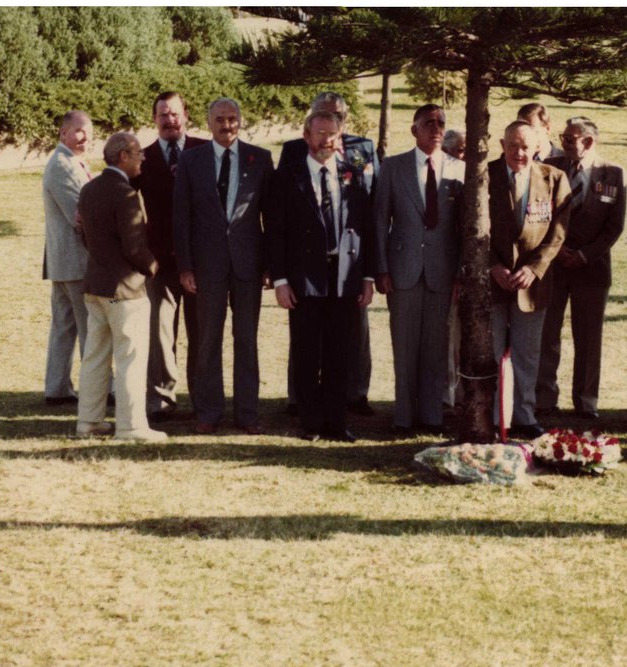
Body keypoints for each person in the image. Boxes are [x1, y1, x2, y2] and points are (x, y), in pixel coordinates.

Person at [267, 110, 375, 443]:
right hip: (303, 278)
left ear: (340, 138)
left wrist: (367, 277)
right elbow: (275, 232)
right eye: (320, 133)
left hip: (344, 276)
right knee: (306, 350)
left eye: (333, 134)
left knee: (339, 352)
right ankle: (311, 422)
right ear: (306, 135)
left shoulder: (353, 175)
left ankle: (336, 422)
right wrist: (281, 281)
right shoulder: (287, 176)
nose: (326, 140)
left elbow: (366, 228)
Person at [173, 97, 274, 435]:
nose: (227, 125)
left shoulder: (259, 158)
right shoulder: (191, 161)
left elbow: (271, 217)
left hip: (248, 265)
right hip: (206, 267)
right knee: (207, 340)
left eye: (232, 118)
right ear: (208, 121)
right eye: (220, 119)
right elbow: (181, 218)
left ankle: (247, 414)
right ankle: (209, 411)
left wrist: (270, 264)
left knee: (246, 339)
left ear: (240, 121)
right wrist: (185, 266)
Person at [374, 105, 464, 434]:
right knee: (405, 343)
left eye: (441, 123)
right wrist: (381, 269)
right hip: (402, 269)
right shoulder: (393, 167)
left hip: (443, 271)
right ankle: (403, 415)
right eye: (429, 124)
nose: (436, 129)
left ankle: (431, 415)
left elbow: (464, 229)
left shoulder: (459, 169)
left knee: (436, 346)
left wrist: (459, 273)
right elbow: (380, 220)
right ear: (414, 130)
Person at [76, 132, 164, 442]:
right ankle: (131, 427)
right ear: (123, 157)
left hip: (94, 286)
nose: (143, 157)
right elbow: (135, 248)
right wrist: (154, 268)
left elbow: (83, 235)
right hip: (125, 291)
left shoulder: (88, 190)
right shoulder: (126, 194)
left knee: (95, 356)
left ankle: (88, 421)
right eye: (138, 152)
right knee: (131, 357)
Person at [536, 117, 625, 420]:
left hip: (592, 269)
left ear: (588, 142)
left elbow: (615, 226)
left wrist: (584, 256)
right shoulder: (548, 166)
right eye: (563, 137)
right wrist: (558, 251)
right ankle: (544, 399)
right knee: (547, 334)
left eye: (571, 138)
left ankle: (586, 402)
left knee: (588, 338)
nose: (564, 142)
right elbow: (539, 214)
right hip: (552, 266)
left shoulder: (613, 173)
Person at [489, 120, 570, 439]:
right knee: (493, 354)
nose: (519, 153)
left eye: (525, 146)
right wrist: (492, 266)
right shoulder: (484, 176)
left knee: (527, 353)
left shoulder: (554, 178)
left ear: (538, 146)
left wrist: (534, 269)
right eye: (512, 146)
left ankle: (523, 414)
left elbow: (559, 233)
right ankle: (497, 417)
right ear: (502, 144)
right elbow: (468, 226)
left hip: (532, 284)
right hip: (494, 281)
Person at [131, 92, 208, 422]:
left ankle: (203, 398)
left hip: (201, 258)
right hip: (160, 261)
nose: (169, 119)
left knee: (201, 331)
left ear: (186, 115)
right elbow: (121, 195)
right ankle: (161, 399)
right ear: (154, 120)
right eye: (163, 114)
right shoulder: (143, 159)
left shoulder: (205, 151)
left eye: (174, 113)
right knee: (161, 332)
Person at [42, 110, 94, 406]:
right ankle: (101, 387)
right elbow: (81, 217)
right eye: (77, 131)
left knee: (64, 326)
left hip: (66, 263)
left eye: (88, 130)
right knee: (90, 326)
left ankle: (57, 388)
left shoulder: (71, 161)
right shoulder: (61, 164)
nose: (84, 136)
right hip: (74, 262)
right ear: (63, 134)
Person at [441, 128, 466, 410]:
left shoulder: (470, 175)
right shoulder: (446, 175)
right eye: (460, 150)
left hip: (469, 271)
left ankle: (461, 393)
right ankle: (445, 396)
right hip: (443, 271)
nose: (465, 157)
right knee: (447, 337)